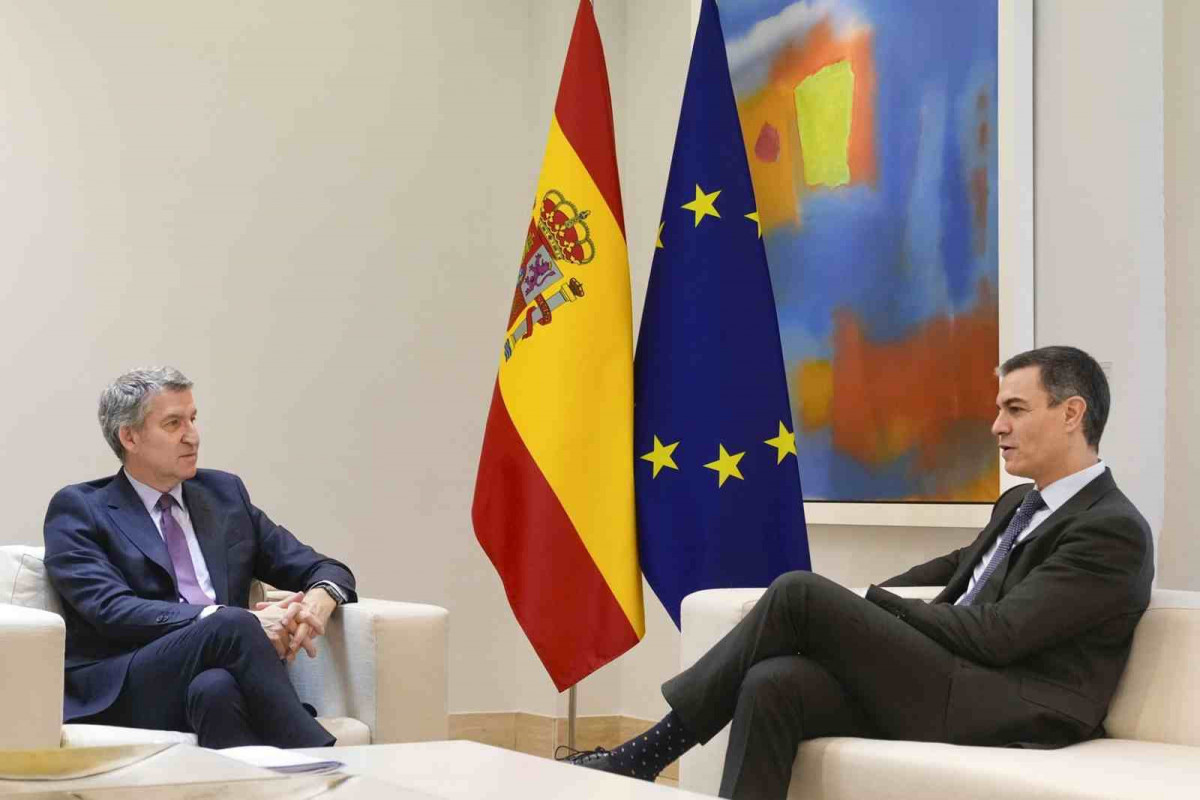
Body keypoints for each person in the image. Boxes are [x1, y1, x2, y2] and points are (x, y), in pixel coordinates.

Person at [566, 346, 1153, 799]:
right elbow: (956, 569)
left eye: (1015, 409)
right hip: (956, 680)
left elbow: (1001, 634)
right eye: (999, 409)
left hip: (1015, 706)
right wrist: (856, 615)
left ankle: (645, 755)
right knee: (773, 682)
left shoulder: (1110, 528)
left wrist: (869, 607)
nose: (997, 425)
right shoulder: (1020, 503)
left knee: (798, 593)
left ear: (1071, 414)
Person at [43, 366, 357, 748]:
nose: (192, 435)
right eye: (173, 423)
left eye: (192, 419)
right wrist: (230, 620)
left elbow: (325, 568)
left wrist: (320, 599)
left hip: (214, 672)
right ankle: (319, 756)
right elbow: (111, 609)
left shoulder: (224, 496)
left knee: (215, 689)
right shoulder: (80, 508)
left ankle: (249, 779)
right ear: (130, 437)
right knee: (232, 622)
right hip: (127, 681)